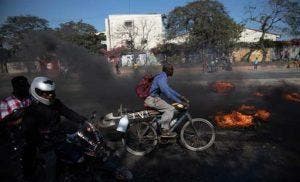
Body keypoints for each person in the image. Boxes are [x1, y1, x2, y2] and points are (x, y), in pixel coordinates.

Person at [21, 76, 87, 182]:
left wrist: (84, 121)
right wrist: (43, 139)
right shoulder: (31, 112)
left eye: (51, 92)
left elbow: (68, 112)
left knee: (81, 149)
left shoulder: (55, 103)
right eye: (46, 93)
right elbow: (30, 134)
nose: (50, 95)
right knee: (51, 160)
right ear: (36, 92)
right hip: (43, 144)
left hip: (58, 137)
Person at [0, 76, 31, 181]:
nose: (27, 89)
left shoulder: (29, 99)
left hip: (29, 138)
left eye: (27, 86)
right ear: (16, 88)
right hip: (13, 143)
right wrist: (15, 117)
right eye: (24, 87)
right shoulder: (5, 103)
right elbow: (2, 124)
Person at [144, 63, 187, 137]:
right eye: (172, 69)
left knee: (168, 110)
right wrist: (180, 102)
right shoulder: (162, 78)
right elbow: (167, 93)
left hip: (155, 99)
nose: (173, 71)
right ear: (168, 70)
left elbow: (169, 90)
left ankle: (156, 126)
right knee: (170, 109)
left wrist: (181, 97)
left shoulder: (162, 76)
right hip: (153, 100)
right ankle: (165, 130)